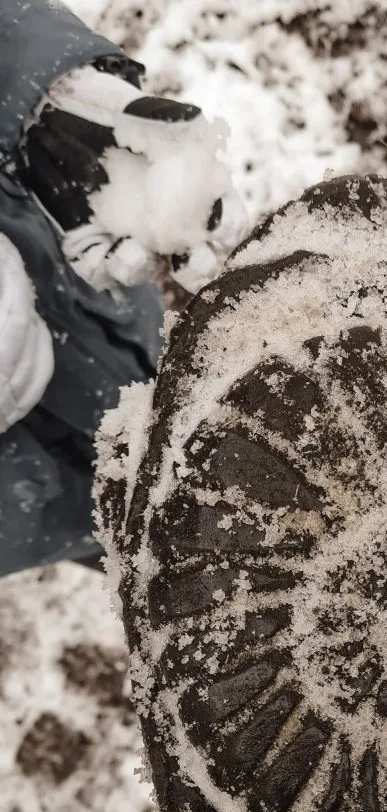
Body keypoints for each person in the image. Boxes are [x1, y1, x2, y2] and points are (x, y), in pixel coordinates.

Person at [0, 0, 248, 577]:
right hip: (30, 498)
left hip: (64, 264)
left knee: (172, 412)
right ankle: (118, 541)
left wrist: (30, 88)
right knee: (123, 535)